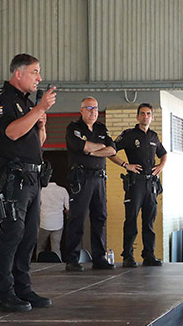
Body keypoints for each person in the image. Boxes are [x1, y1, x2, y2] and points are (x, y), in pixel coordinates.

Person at [0, 53, 57, 312]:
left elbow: (36, 144)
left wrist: (41, 126)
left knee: (29, 236)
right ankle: (4, 292)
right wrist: (39, 109)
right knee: (12, 233)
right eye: (34, 72)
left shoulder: (26, 104)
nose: (39, 78)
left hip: (33, 177)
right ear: (19, 73)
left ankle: (23, 288)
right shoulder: (1, 99)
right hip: (14, 177)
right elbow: (11, 133)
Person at [110, 103, 168, 267]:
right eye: (142, 113)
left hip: (151, 184)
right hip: (135, 184)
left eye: (148, 114)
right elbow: (111, 151)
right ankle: (128, 256)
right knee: (131, 220)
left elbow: (163, 154)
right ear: (137, 117)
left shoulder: (154, 136)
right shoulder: (129, 135)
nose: (145, 116)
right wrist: (125, 165)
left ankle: (149, 255)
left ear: (152, 117)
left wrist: (161, 166)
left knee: (149, 222)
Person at [63, 97, 117, 271]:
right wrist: (98, 147)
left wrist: (92, 151)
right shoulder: (73, 128)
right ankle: (72, 259)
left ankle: (99, 258)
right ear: (81, 110)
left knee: (100, 217)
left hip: (99, 178)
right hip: (81, 178)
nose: (93, 111)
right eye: (89, 108)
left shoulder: (101, 128)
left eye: (95, 108)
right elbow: (82, 147)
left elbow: (112, 149)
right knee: (77, 217)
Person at [36, 181, 69, 261]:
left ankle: (38, 263)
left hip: (43, 223)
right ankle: (58, 264)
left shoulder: (41, 190)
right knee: (56, 248)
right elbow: (68, 208)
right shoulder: (63, 190)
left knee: (40, 247)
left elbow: (36, 206)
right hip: (58, 223)